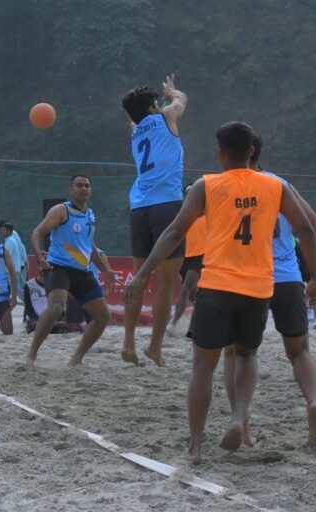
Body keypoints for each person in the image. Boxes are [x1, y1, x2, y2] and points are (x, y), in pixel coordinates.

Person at [124, 121, 316, 464]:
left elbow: (174, 232)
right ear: (252, 151)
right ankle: (239, 418)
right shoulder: (274, 186)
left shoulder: (206, 186)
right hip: (259, 287)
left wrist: (142, 274)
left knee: (203, 367)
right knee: (246, 356)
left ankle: (196, 447)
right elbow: (307, 228)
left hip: (217, 286)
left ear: (220, 154)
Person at [220, 132, 316, 450]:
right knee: (299, 350)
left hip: (245, 279)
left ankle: (241, 421)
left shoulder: (223, 185)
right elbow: (314, 227)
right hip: (287, 276)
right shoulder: (279, 184)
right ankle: (313, 402)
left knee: (239, 352)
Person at [120, 74, 188, 367]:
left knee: (139, 277)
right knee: (166, 281)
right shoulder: (166, 117)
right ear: (152, 107)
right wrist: (172, 91)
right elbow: (181, 100)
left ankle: (128, 342)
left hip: (139, 208)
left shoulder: (135, 130)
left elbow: (133, 117)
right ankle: (155, 347)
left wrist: (146, 103)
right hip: (166, 206)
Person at [25, 174, 115, 369]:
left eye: (87, 186)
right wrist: (39, 256)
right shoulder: (61, 210)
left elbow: (89, 245)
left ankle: (76, 359)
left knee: (103, 317)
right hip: (59, 268)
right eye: (79, 185)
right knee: (56, 308)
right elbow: (37, 232)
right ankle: (31, 355)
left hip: (82, 272)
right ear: (71, 189)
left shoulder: (90, 214)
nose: (83, 189)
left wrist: (105, 270)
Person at [170, 188, 206, 334]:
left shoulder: (209, 213)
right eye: (188, 194)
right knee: (194, 295)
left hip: (201, 256)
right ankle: (194, 327)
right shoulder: (183, 215)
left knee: (186, 289)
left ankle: (172, 324)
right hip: (185, 257)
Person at [0, 221, 28, 296]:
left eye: (2, 230)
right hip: (13, 267)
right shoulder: (9, 239)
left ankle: (29, 302)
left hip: (13, 268)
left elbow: (5, 255)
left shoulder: (11, 240)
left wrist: (24, 259)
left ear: (8, 231)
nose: (1, 232)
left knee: (16, 289)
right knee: (12, 288)